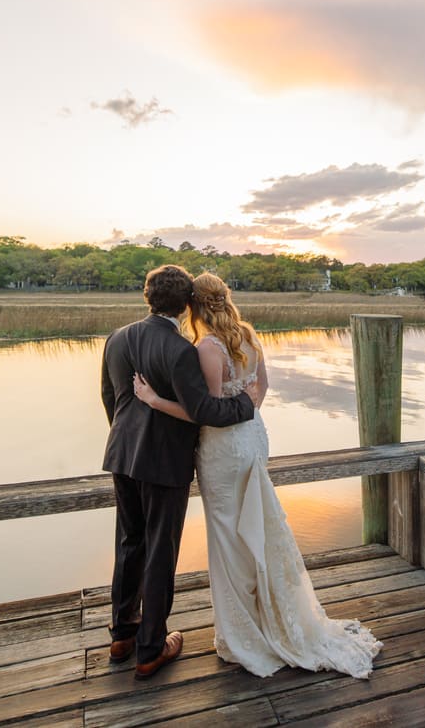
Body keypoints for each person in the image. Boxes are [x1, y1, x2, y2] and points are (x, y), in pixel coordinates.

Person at [133, 272, 383, 679]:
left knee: (230, 537)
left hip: (224, 450)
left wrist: (155, 400)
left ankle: (244, 632)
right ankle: (269, 614)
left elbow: (207, 414)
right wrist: (247, 408)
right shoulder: (248, 336)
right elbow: (261, 388)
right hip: (253, 438)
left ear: (194, 306)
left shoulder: (207, 348)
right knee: (256, 526)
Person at [101, 265, 260, 680]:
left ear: (147, 296)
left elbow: (109, 398)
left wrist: (126, 439)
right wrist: (249, 402)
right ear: (186, 302)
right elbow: (204, 411)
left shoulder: (116, 338)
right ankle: (151, 648)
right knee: (160, 550)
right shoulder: (181, 350)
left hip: (121, 455)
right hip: (164, 462)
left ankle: (122, 634)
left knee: (129, 542)